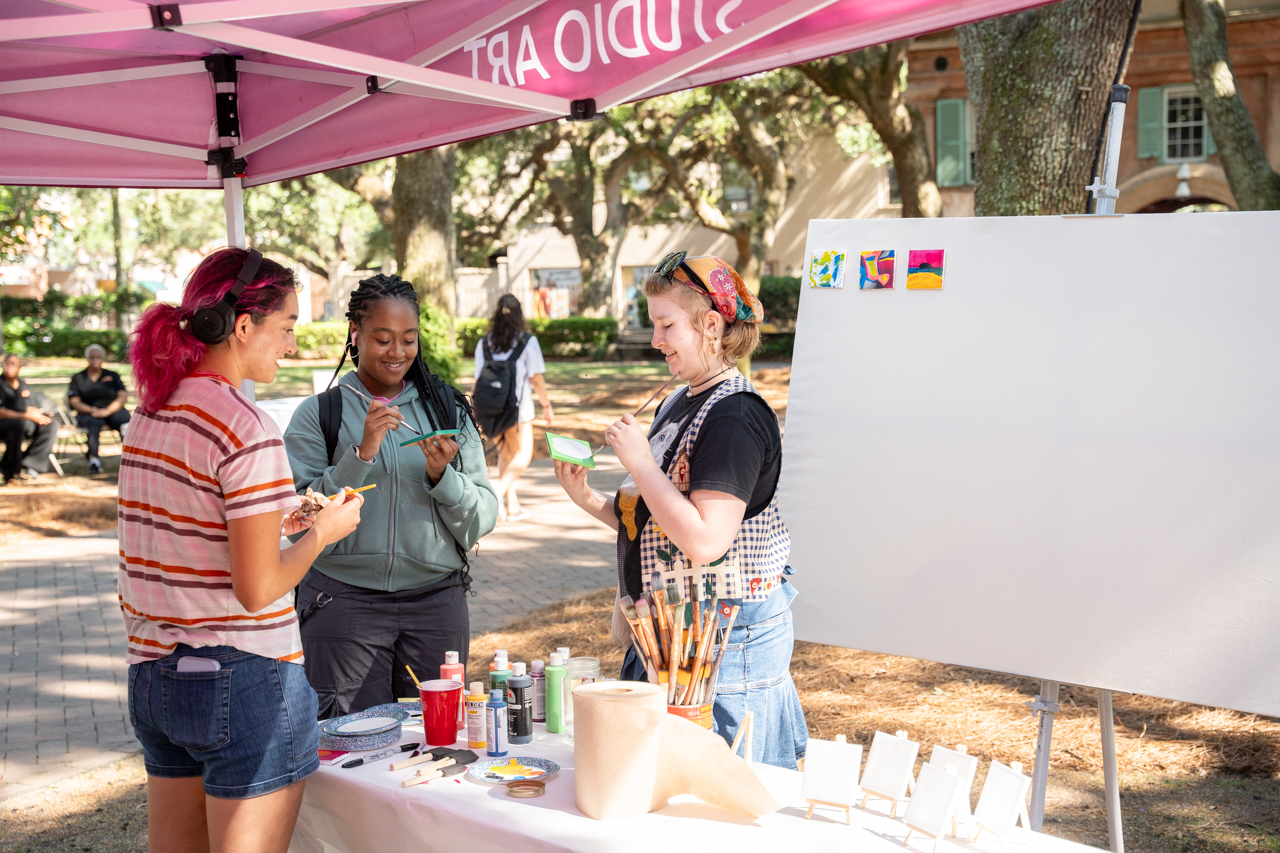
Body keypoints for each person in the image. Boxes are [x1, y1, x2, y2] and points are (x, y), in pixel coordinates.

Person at [118, 247, 364, 853]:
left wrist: (287, 520)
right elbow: (259, 589)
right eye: (287, 328)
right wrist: (321, 534)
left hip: (155, 673)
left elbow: (186, 530)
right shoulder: (247, 427)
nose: (291, 346)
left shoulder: (151, 414)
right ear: (244, 324)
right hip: (243, 677)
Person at [552, 252, 807, 769]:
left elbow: (705, 541)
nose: (655, 341)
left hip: (726, 649)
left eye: (666, 325)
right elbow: (659, 525)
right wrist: (588, 499)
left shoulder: (735, 415)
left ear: (711, 325)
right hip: (674, 637)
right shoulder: (678, 400)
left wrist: (643, 463)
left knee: (723, 794)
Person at [285, 274, 498, 718]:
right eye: (383, 339)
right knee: (349, 747)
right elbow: (296, 520)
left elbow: (483, 517)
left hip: (436, 603)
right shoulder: (320, 414)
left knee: (438, 738)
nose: (397, 352)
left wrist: (445, 477)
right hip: (342, 604)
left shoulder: (447, 409)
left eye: (408, 339)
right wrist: (360, 454)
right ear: (355, 334)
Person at [473, 294, 553, 521]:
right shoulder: (527, 342)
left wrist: (474, 409)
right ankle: (496, 497)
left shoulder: (485, 342)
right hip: (519, 410)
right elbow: (536, 379)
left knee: (506, 455)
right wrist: (547, 405)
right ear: (520, 315)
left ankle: (513, 507)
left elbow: (478, 379)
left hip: (489, 407)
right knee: (522, 456)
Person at [68, 342, 131, 474]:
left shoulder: (113, 375)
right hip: (89, 412)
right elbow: (74, 401)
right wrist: (92, 410)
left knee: (125, 419)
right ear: (87, 358)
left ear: (103, 358)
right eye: (92, 357)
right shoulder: (78, 377)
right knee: (92, 423)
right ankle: (94, 461)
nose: (95, 360)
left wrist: (107, 411)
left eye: (98, 357)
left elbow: (122, 395)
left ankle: (131, 457)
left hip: (112, 410)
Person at [0, 353, 58, 485]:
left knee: (51, 425)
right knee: (15, 426)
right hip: (6, 425)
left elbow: (30, 408)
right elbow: (1, 412)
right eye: (6, 363)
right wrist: (26, 416)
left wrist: (40, 415)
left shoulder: (23, 385)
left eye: (14, 364)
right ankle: (10, 471)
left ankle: (30, 464)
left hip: (25, 423)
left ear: (20, 367)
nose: (9, 367)